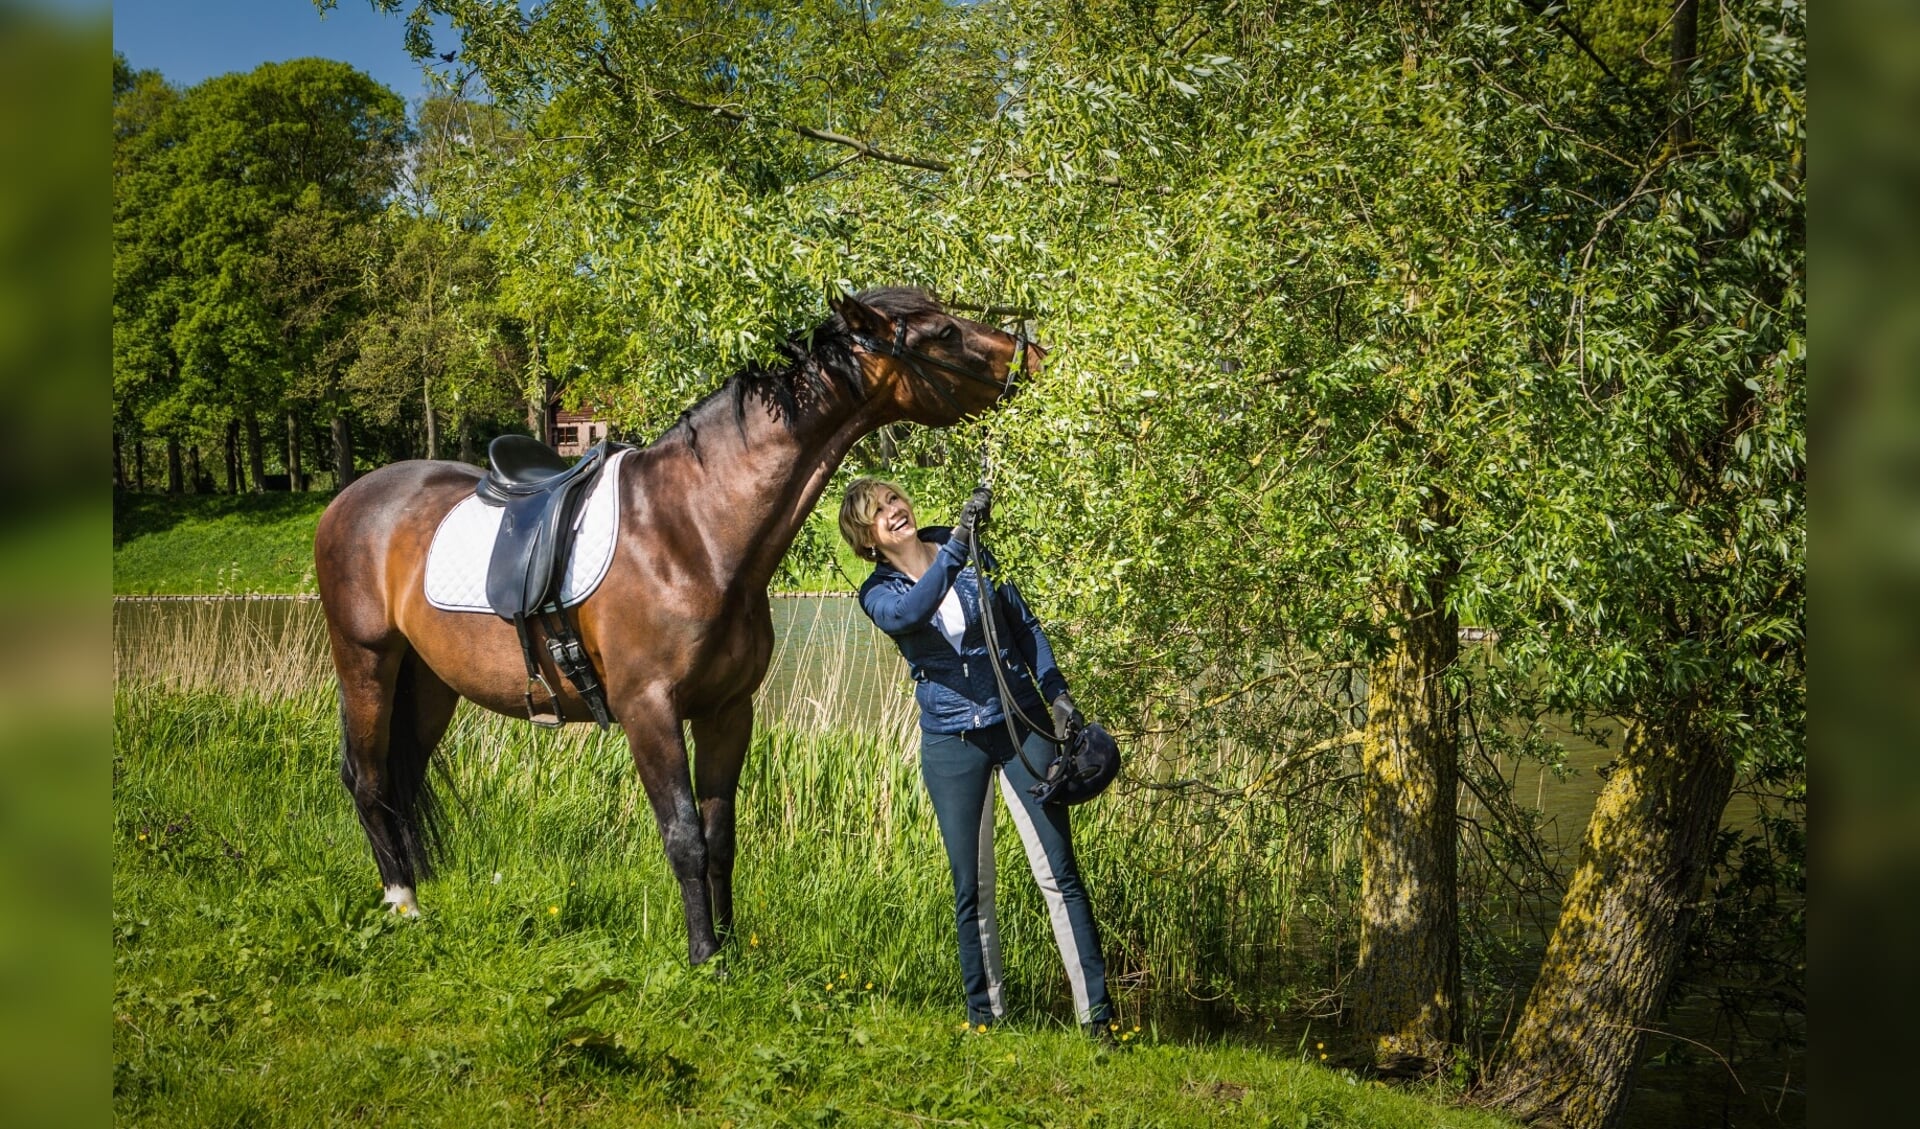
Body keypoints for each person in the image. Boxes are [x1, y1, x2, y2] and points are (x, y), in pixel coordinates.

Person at [837, 476, 1116, 1041]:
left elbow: (1025, 624)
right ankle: (986, 1022)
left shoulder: (967, 550)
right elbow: (913, 613)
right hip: (950, 742)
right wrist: (960, 543)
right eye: (878, 512)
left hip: (1018, 724)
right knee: (973, 886)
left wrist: (1056, 692)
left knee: (1059, 874)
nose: (894, 511)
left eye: (895, 500)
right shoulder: (878, 593)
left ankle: (1099, 1023)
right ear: (867, 539)